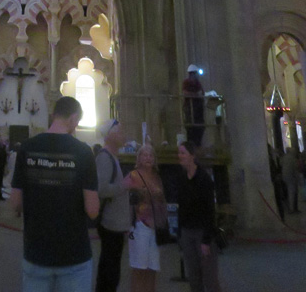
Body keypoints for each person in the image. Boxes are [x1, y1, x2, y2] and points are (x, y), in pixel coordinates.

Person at [11, 96, 99, 292]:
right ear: (74, 118)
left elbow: (15, 202)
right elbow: (92, 210)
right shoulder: (84, 152)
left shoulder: (27, 147)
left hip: (36, 251)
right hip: (74, 254)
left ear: (53, 115)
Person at [177, 142, 222, 292]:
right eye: (179, 153)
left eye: (183, 153)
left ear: (192, 156)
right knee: (194, 278)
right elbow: (181, 207)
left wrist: (206, 240)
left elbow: (210, 211)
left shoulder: (204, 179)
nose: (180, 156)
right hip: (187, 232)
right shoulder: (182, 178)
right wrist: (180, 233)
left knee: (209, 278)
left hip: (202, 233)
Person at [124, 144, 167, 292]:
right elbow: (122, 196)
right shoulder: (133, 176)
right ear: (139, 158)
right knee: (139, 268)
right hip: (139, 226)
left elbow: (162, 201)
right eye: (144, 155)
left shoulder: (157, 177)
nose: (148, 158)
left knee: (152, 268)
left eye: (151, 155)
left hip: (155, 227)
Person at [94, 119, 129, 292]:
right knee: (109, 272)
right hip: (110, 224)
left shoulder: (112, 157)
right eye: (120, 131)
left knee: (112, 270)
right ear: (110, 135)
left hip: (116, 224)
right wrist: (126, 186)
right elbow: (102, 189)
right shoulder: (105, 157)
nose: (124, 135)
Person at [182, 65, 205, 148]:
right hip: (190, 109)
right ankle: (191, 146)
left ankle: (198, 145)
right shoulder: (186, 82)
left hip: (198, 109)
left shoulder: (197, 83)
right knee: (190, 128)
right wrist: (195, 95)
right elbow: (185, 93)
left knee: (200, 127)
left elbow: (201, 92)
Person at [282, 146, 299, 213]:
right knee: (291, 192)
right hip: (291, 177)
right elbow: (295, 168)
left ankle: (291, 207)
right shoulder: (292, 158)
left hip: (285, 177)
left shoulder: (284, 157)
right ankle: (292, 208)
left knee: (289, 192)